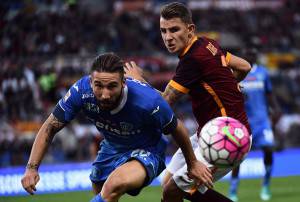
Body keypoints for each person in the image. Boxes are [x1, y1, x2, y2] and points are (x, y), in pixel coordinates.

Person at [20, 52, 213, 202]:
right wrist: (31, 168)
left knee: (114, 185)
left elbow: (176, 127)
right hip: (111, 147)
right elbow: (49, 127)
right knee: (100, 187)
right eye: (98, 86)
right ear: (90, 81)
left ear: (123, 82)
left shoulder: (147, 100)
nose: (104, 94)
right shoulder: (80, 92)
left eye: (112, 86)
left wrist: (192, 163)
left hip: (148, 150)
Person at [124, 2, 252, 202]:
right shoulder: (208, 44)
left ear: (190, 29)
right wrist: (227, 84)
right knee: (168, 182)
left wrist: (138, 82)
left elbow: (163, 104)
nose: (168, 37)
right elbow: (244, 66)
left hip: (229, 138)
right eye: (163, 31)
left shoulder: (192, 60)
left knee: (173, 191)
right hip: (209, 131)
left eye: (174, 29)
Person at [229, 48, 281, 202]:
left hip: (262, 120)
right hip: (242, 121)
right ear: (244, 56)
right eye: (248, 53)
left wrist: (276, 109)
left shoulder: (263, 73)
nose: (251, 55)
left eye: (253, 53)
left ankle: (265, 185)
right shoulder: (238, 72)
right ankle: (233, 192)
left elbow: (269, 93)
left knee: (269, 149)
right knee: (238, 158)